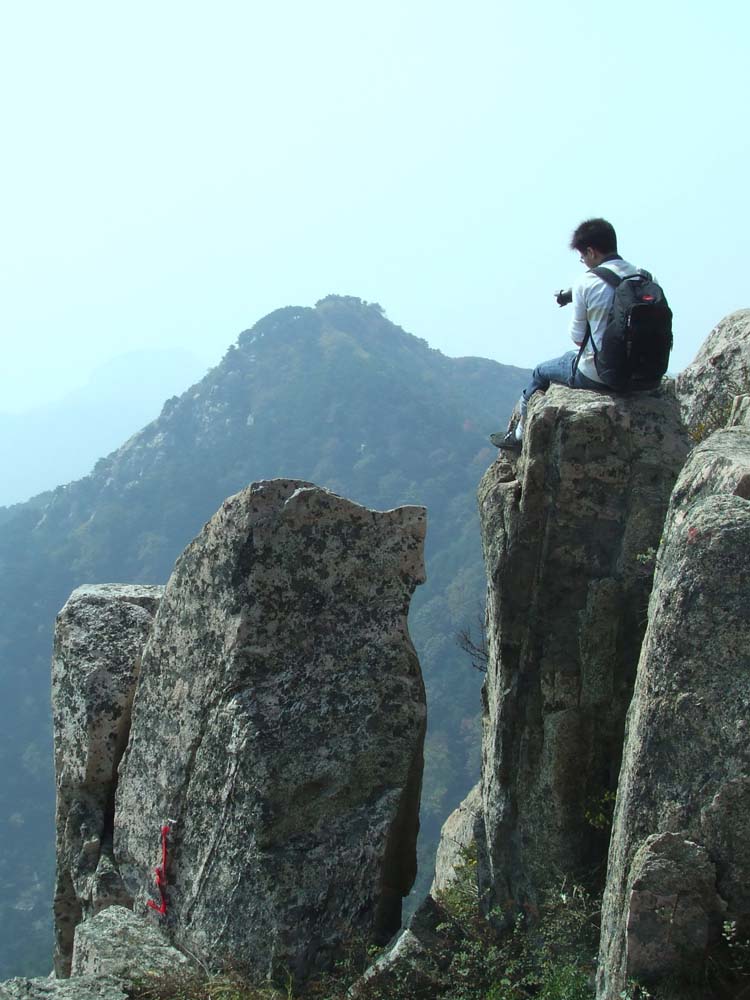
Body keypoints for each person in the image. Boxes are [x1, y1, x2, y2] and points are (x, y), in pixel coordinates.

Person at [490, 218, 637, 451]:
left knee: (540, 371)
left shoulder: (587, 282)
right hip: (643, 374)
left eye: (583, 257)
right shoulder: (644, 277)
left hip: (601, 375)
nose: (584, 262)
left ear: (590, 251)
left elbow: (578, 338)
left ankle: (517, 437)